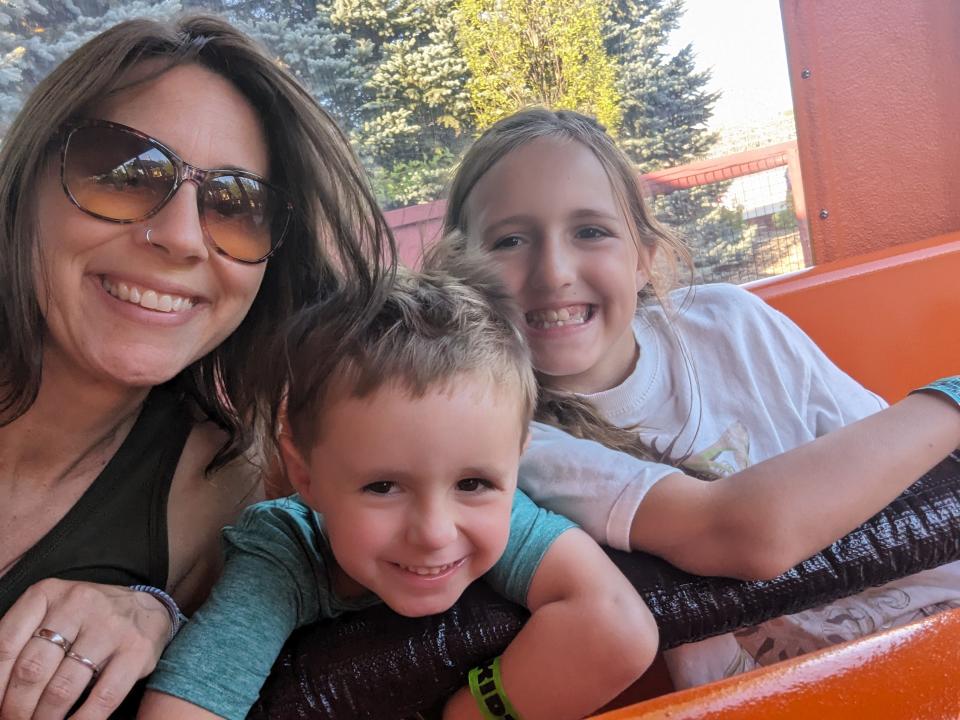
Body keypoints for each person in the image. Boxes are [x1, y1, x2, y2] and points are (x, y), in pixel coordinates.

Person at [440, 107, 960, 688]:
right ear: (461, 275)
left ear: (643, 256)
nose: (555, 271)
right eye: (510, 240)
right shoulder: (513, 437)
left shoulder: (729, 322)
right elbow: (744, 535)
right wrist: (953, 396)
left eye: (590, 231)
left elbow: (905, 468)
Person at [0, 14, 394, 719]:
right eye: (125, 172)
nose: (182, 238)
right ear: (27, 181)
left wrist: (156, 615)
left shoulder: (225, 487)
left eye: (236, 205)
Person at [136, 255, 657, 720]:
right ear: (305, 475)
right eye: (383, 487)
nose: (434, 532)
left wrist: (471, 712)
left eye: (473, 482)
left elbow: (617, 628)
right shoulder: (284, 556)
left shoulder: (502, 518)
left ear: (515, 462)